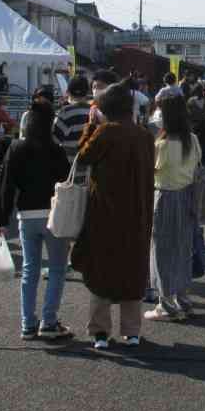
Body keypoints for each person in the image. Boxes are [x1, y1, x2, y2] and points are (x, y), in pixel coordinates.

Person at [71, 83, 155, 349]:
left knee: (101, 271)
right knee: (132, 270)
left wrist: (90, 126)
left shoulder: (106, 132)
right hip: (137, 213)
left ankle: (100, 333)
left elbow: (83, 156)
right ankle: (131, 332)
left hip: (105, 213)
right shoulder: (144, 136)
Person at [0, 101, 72, 340]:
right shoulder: (56, 149)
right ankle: (48, 321)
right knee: (57, 269)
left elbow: (5, 185)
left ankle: (27, 323)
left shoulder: (16, 147)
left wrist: (0, 218)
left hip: (26, 215)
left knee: (30, 269)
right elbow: (67, 183)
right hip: (54, 215)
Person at [146, 95, 201, 321]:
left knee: (161, 251)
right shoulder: (193, 140)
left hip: (165, 198)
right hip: (188, 196)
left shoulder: (162, 144)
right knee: (182, 249)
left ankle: (166, 304)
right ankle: (183, 298)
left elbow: (152, 172)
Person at [53, 75, 91, 160]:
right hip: (89, 165)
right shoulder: (93, 110)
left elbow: (55, 139)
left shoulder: (66, 112)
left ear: (68, 92)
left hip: (69, 165)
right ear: (87, 92)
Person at [187, 84, 205, 165]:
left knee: (195, 142)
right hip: (204, 123)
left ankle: (196, 158)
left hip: (194, 124)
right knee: (204, 142)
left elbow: (188, 114)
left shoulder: (191, 101)